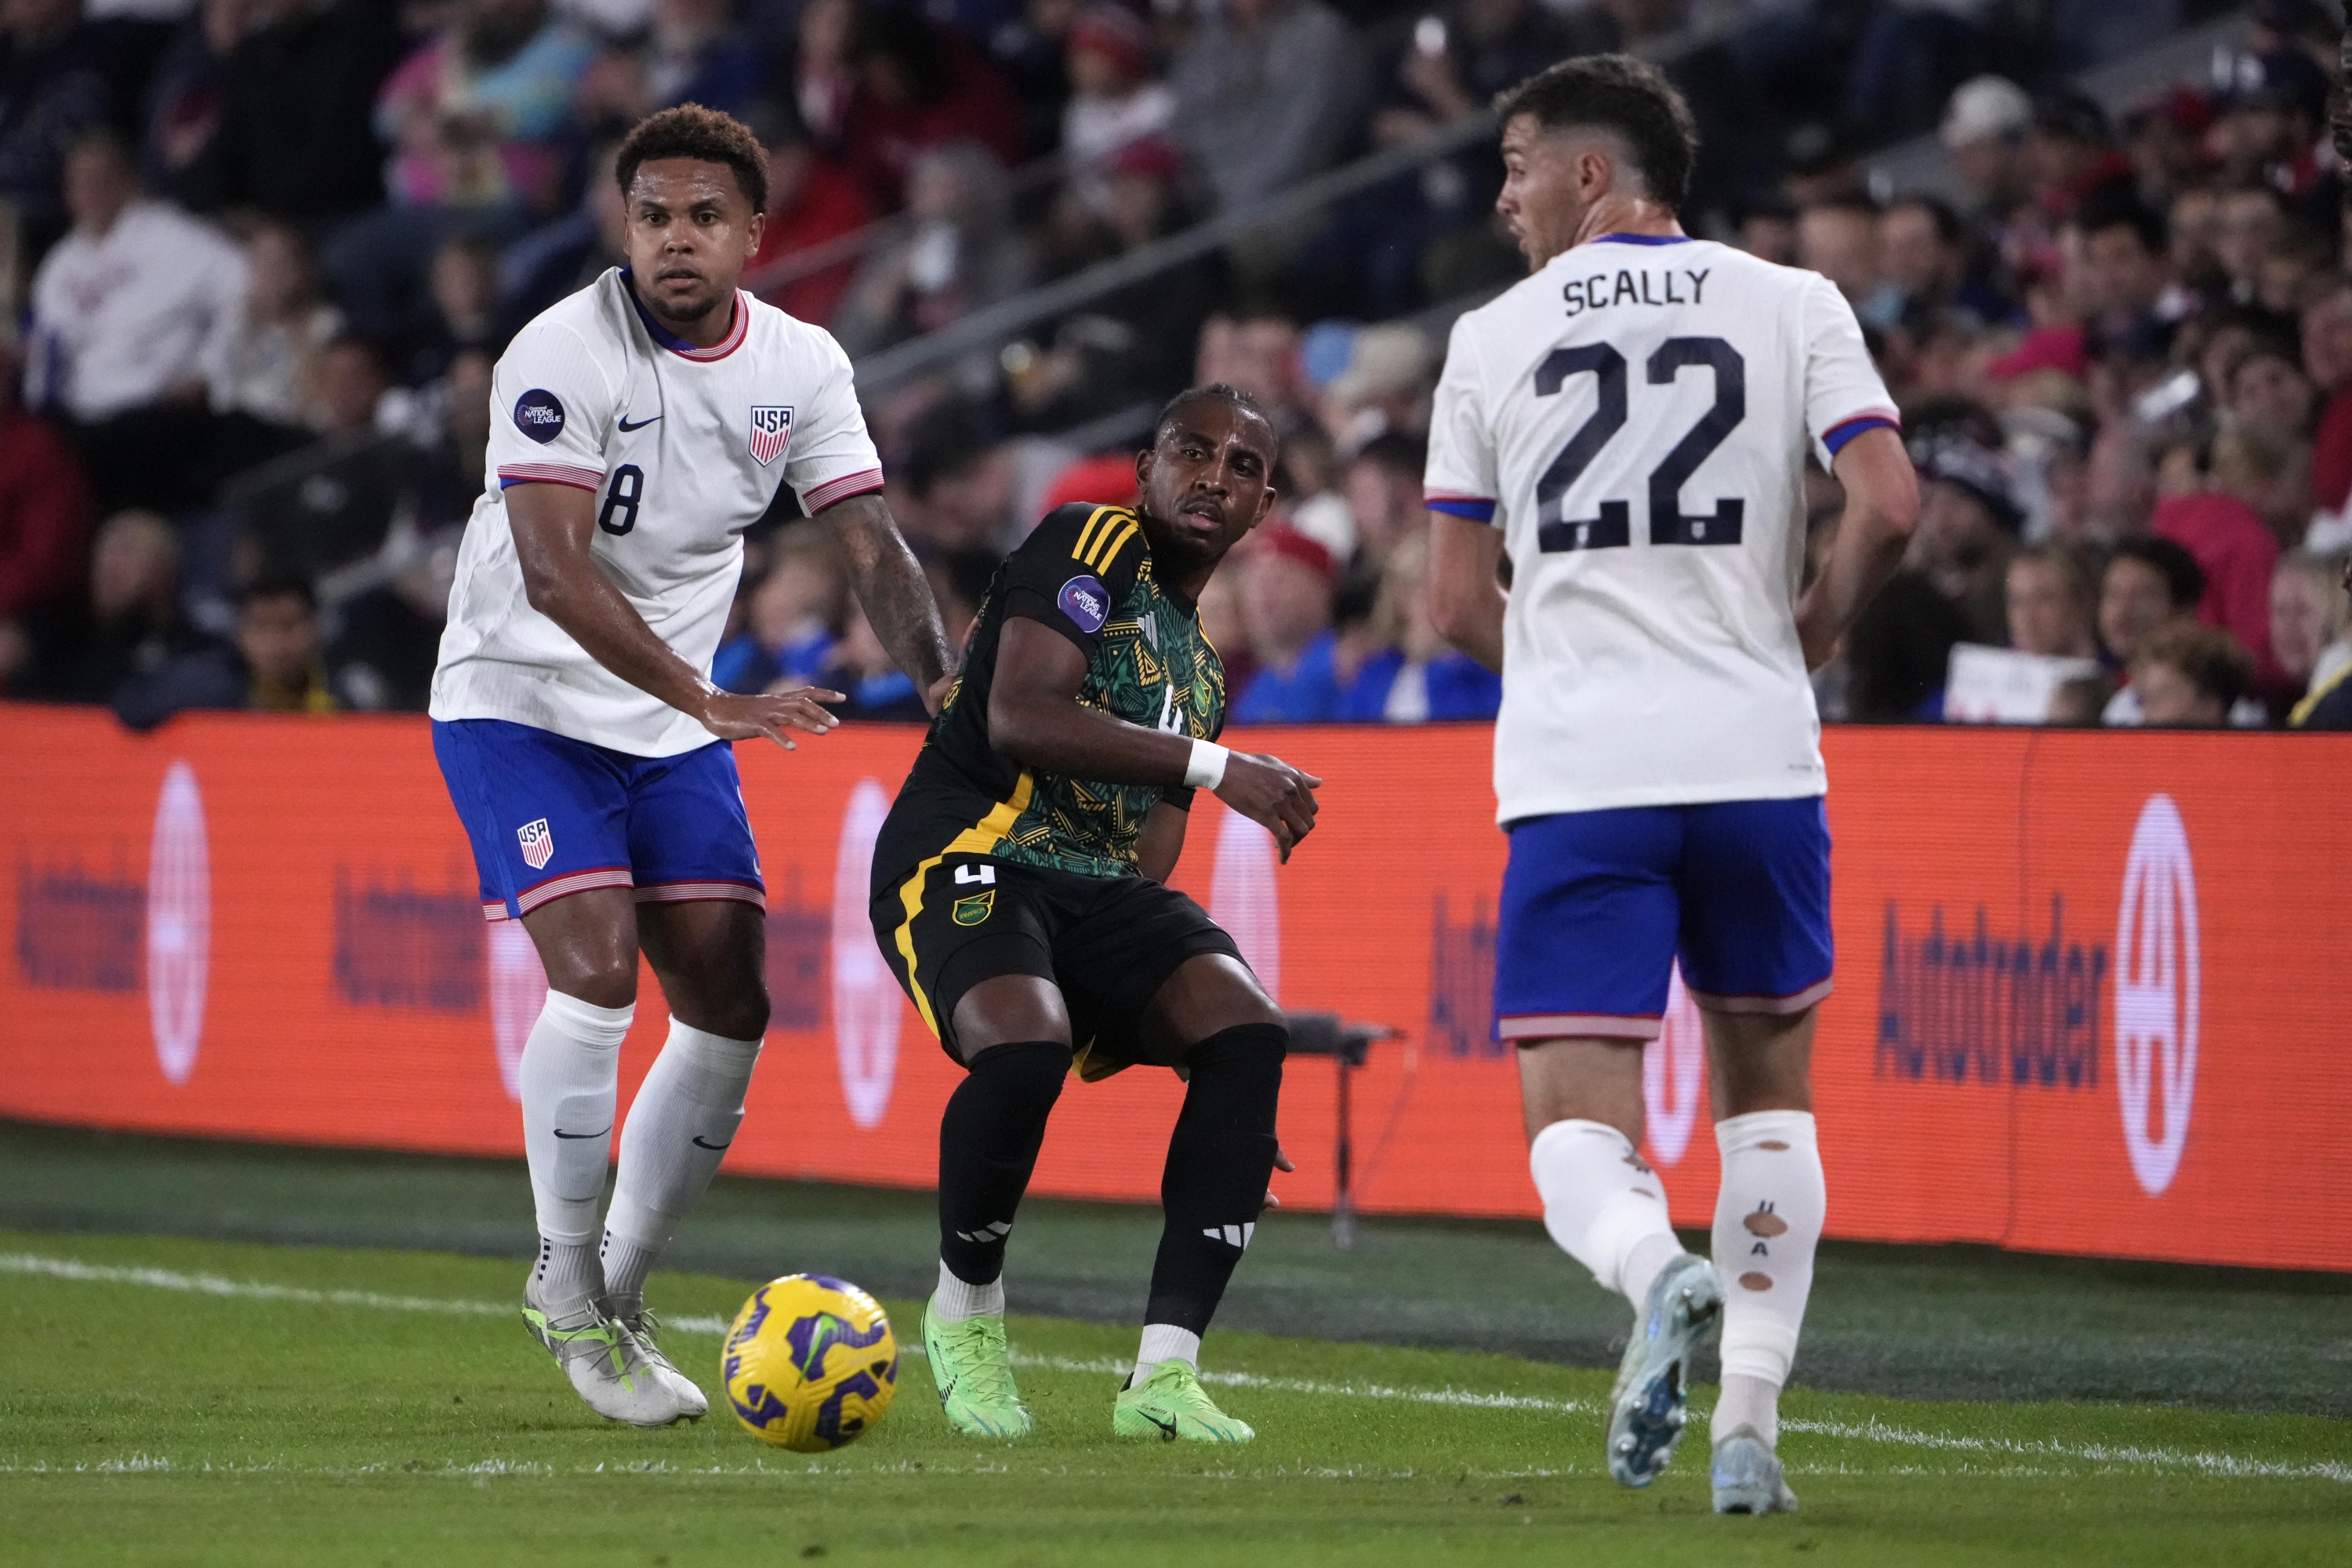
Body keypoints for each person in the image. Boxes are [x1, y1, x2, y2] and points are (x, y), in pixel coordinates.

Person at [1421, 56, 1918, 1515]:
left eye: (1516, 165)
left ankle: (1658, 1274)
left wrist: (1575, 676)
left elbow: (1455, 604)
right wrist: (1807, 632)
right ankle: (1750, 1424)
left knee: (1577, 1119)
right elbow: (1889, 501)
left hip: (1586, 774)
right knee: (1770, 1104)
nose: (1502, 195)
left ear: (1591, 174)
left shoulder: (1492, 335)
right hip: (1759, 753)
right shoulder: (1793, 301)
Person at [427, 104, 953, 1429]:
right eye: (654, 214)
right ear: (626, 226)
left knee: (729, 998)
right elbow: (552, 571)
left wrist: (943, 679)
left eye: (703, 217)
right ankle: (561, 1280)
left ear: (752, 236)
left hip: (671, 720)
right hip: (523, 697)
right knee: (598, 976)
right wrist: (710, 697)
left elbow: (871, 544)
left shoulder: (803, 363)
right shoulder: (559, 349)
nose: (677, 239)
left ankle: (618, 1286)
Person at [867, 384, 1319, 1446]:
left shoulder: (1200, 667)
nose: (1215, 477)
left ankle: (1164, 1379)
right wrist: (1219, 768)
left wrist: (1230, 1110)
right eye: (1193, 453)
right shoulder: (1092, 539)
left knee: (1248, 1032)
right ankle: (966, 1311)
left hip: (1087, 884)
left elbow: (1143, 869)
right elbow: (1022, 714)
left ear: (1266, 507)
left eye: (1244, 466)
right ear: (1147, 470)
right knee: (1023, 1046)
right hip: (967, 847)